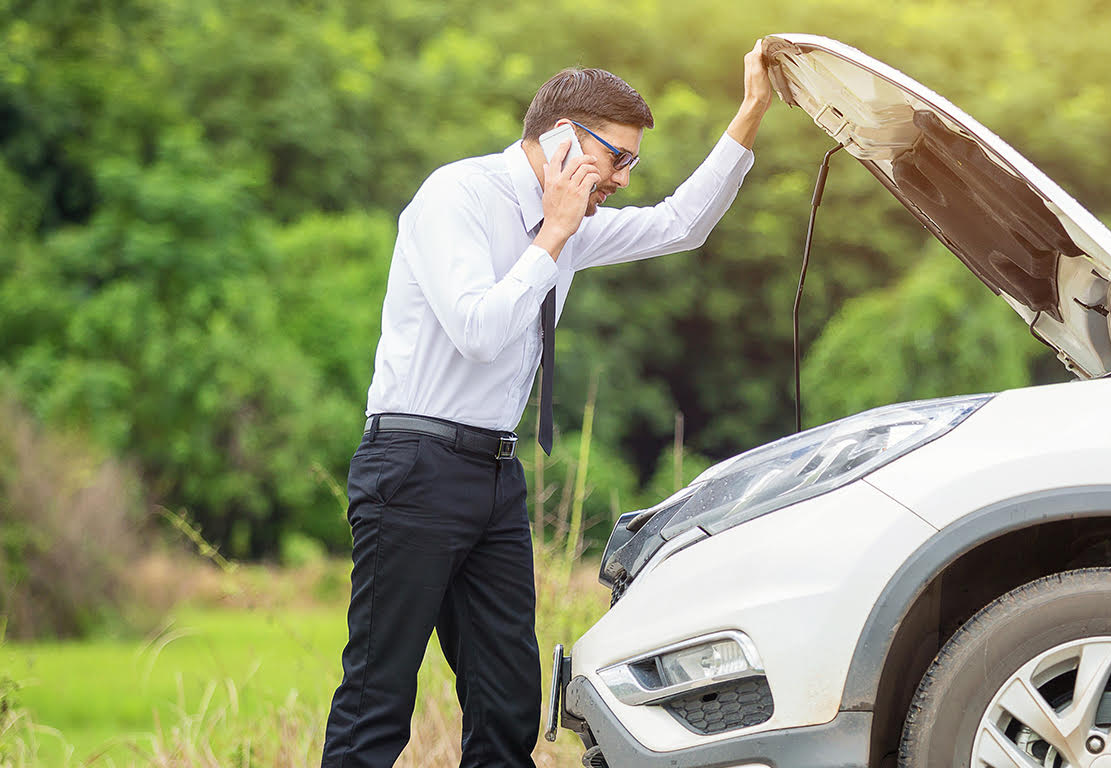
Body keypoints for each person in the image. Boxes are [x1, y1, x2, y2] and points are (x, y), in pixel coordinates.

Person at [321, 41, 777, 768]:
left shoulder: (570, 225)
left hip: (494, 476)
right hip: (412, 466)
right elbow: (478, 332)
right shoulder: (457, 196)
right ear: (563, 137)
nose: (622, 179)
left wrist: (751, 110)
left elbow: (680, 225)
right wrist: (556, 232)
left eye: (631, 164)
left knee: (508, 706)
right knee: (378, 699)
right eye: (616, 158)